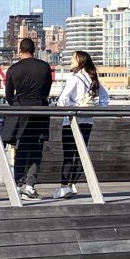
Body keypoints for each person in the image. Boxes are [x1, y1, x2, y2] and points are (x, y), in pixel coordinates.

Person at [0, 38, 53, 199]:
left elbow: (9, 95)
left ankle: (17, 185)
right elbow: (47, 90)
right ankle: (30, 186)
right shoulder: (44, 67)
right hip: (40, 112)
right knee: (37, 149)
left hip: (21, 112)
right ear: (34, 50)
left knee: (21, 149)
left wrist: (17, 104)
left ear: (19, 50)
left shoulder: (14, 69)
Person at [54, 50, 109, 199]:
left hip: (71, 122)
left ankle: (64, 187)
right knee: (80, 154)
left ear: (81, 61)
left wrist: (75, 107)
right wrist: (92, 108)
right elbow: (105, 99)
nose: (71, 61)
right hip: (87, 121)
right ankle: (73, 184)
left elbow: (62, 100)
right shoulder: (92, 79)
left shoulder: (74, 78)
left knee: (68, 155)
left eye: (74, 58)